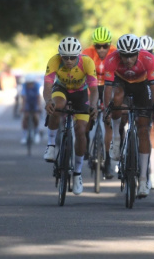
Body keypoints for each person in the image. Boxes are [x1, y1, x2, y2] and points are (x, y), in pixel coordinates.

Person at [103, 34, 154, 197]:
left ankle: (143, 179)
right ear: (119, 54)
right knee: (116, 98)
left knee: (143, 129)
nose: (128, 60)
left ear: (138, 52)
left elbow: (153, 86)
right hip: (121, 83)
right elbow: (108, 88)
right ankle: (116, 138)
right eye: (125, 55)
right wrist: (107, 108)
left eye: (131, 55)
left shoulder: (148, 59)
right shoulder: (112, 59)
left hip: (142, 86)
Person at [42, 37, 98, 197]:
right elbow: (47, 86)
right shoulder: (54, 61)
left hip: (81, 93)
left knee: (81, 130)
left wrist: (93, 106)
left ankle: (78, 174)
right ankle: (51, 145)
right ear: (60, 55)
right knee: (56, 106)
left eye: (72, 57)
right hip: (61, 89)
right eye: (65, 57)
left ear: (78, 56)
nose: (68, 61)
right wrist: (47, 101)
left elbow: (94, 90)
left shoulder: (87, 62)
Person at [81, 26, 116, 178]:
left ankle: (108, 161)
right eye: (98, 46)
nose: (101, 49)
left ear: (110, 44)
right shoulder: (87, 54)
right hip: (92, 88)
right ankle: (87, 135)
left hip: (108, 87)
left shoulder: (115, 53)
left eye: (105, 46)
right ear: (93, 45)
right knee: (89, 114)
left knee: (108, 121)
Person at [138, 35, 154, 189]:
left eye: (149, 51)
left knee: (152, 131)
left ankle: (152, 171)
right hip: (135, 90)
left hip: (151, 91)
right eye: (143, 51)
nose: (146, 54)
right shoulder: (131, 59)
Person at [19, 75, 42, 145]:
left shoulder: (37, 85)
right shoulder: (24, 86)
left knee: (36, 117)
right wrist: (23, 107)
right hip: (27, 102)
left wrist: (39, 107)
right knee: (25, 117)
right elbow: (24, 97)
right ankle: (24, 136)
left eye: (31, 83)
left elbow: (38, 97)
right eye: (28, 83)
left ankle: (37, 133)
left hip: (34, 102)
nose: (30, 85)